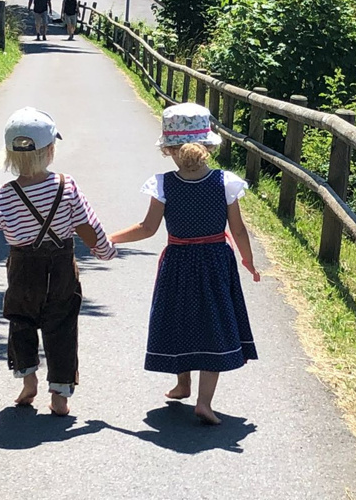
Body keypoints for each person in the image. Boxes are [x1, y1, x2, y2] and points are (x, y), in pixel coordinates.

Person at [0, 107, 116, 416]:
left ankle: (28, 380)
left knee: (20, 324)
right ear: (50, 150)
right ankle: (60, 395)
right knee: (61, 328)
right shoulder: (67, 185)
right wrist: (104, 251)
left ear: (10, 155)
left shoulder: (5, 196)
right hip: (62, 270)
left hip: (23, 271)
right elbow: (88, 225)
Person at [110, 102, 260, 425]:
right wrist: (248, 261)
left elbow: (147, 228)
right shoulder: (225, 183)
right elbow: (238, 229)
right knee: (213, 325)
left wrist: (111, 238)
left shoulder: (163, 185)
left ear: (169, 149)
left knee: (180, 319)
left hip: (178, 263)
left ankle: (182, 383)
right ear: (207, 145)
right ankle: (204, 402)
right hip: (216, 263)